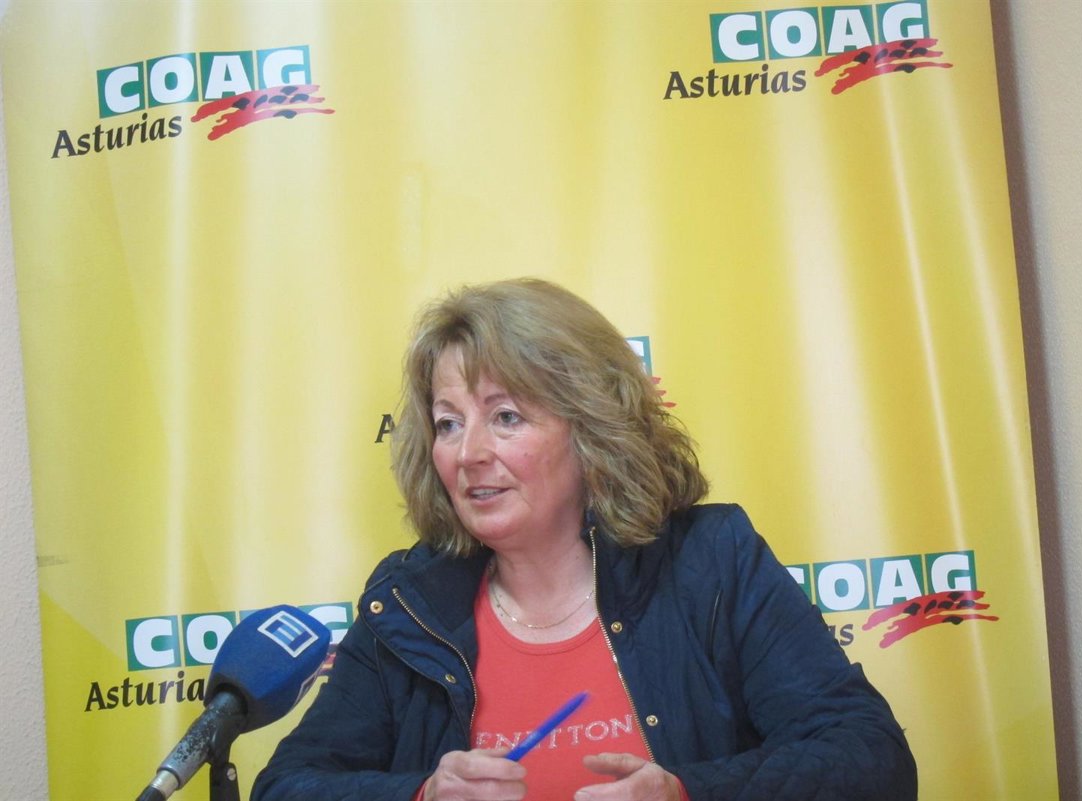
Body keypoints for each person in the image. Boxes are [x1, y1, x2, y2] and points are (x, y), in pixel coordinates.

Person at [251, 278, 917, 801]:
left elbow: (870, 757)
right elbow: (286, 786)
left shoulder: (710, 561)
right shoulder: (409, 602)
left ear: (590, 428)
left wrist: (686, 791)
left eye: (506, 416)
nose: (469, 453)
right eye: (448, 423)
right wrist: (421, 794)